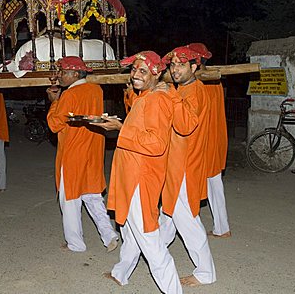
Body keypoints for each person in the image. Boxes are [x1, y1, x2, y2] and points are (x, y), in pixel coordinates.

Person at [95, 51, 183, 294]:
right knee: (130, 231)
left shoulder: (157, 100)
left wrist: (121, 128)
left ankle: (173, 290)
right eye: (134, 69)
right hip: (132, 174)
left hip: (140, 178)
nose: (135, 74)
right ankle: (121, 273)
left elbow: (156, 143)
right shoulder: (147, 96)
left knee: (149, 238)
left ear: (155, 73)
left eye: (142, 70)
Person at [46, 56, 119, 253]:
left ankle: (76, 244)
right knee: (93, 196)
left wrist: (54, 102)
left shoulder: (69, 95)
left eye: (63, 72)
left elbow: (54, 125)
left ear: (75, 74)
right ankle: (109, 235)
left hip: (73, 152)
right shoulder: (96, 89)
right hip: (93, 150)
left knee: (70, 199)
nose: (59, 75)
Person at [159, 44, 217, 287]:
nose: (175, 69)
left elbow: (183, 126)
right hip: (174, 164)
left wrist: (170, 94)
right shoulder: (183, 89)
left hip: (184, 166)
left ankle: (205, 272)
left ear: (195, 67)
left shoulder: (194, 91)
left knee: (187, 221)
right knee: (168, 217)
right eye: (172, 65)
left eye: (181, 65)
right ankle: (149, 252)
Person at [188, 43, 231, 238]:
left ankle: (188, 230)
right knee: (215, 186)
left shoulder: (200, 84)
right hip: (214, 140)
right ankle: (222, 228)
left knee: (187, 188)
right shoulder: (214, 82)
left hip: (203, 141)